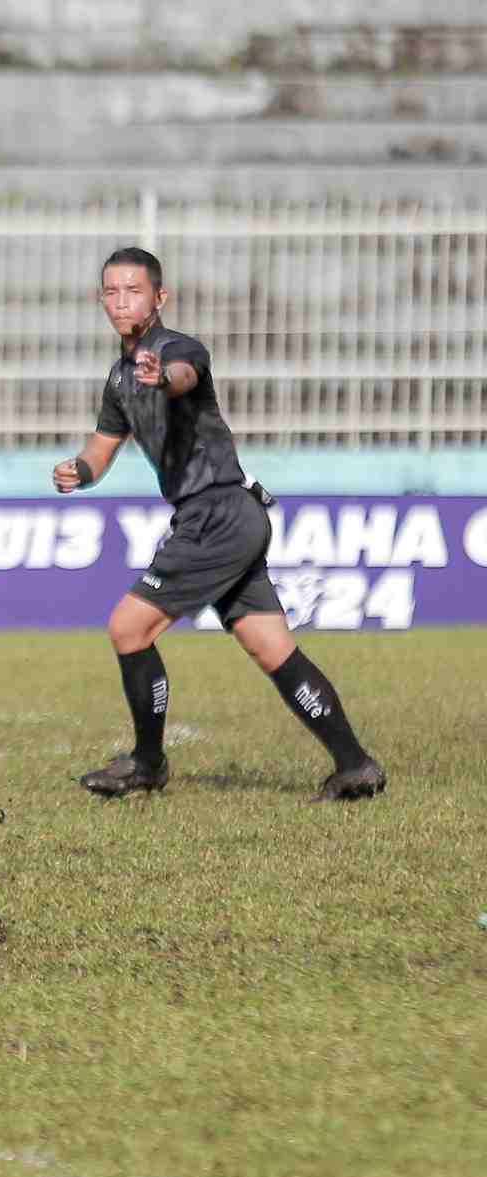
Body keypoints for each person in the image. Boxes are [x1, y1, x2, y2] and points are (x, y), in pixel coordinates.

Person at [53, 247, 385, 801]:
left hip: (217, 514)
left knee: (128, 628)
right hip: (228, 515)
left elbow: (184, 373)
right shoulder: (117, 380)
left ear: (160, 298)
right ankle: (355, 765)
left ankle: (147, 762)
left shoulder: (176, 351)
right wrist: (79, 470)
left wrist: (163, 378)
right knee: (271, 647)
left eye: (133, 290)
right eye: (111, 291)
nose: (120, 301)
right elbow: (103, 448)